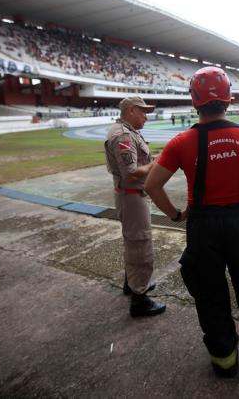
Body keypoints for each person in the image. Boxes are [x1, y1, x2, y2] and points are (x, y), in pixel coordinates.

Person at [145, 67, 239, 377]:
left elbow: (151, 186)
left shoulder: (181, 141)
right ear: (229, 100)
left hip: (202, 225)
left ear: (194, 101)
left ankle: (224, 358)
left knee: (210, 294)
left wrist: (174, 214)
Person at [105, 96, 165, 318]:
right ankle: (139, 299)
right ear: (131, 110)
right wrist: (157, 163)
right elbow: (131, 174)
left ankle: (132, 284)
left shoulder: (127, 131)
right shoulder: (122, 134)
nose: (146, 117)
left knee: (132, 241)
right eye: (143, 112)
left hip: (131, 196)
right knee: (140, 244)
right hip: (132, 196)